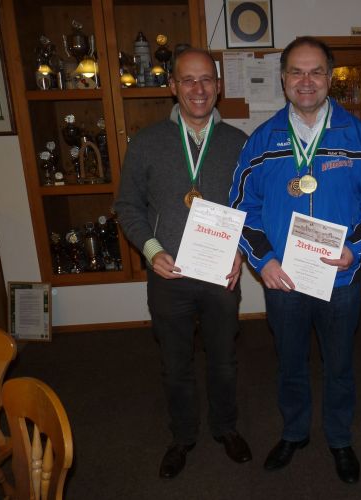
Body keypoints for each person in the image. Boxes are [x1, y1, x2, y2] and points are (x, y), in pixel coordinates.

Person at [229, 37, 361, 484]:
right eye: (296, 72)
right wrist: (263, 261)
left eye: (316, 71)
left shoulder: (357, 135)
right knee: (290, 363)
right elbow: (242, 206)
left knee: (339, 364)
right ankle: (294, 432)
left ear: (329, 77)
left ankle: (339, 438)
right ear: (283, 79)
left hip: (341, 279)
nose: (306, 81)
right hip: (283, 280)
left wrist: (356, 249)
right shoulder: (262, 140)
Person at [115, 47, 252, 479]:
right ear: (172, 86)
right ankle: (183, 436)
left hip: (220, 273)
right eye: (188, 80)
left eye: (206, 79)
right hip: (168, 273)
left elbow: (250, 205)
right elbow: (127, 205)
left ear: (218, 86)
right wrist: (151, 250)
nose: (198, 89)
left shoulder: (238, 143)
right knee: (175, 364)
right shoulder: (146, 142)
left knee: (223, 360)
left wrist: (241, 249)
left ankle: (225, 427)